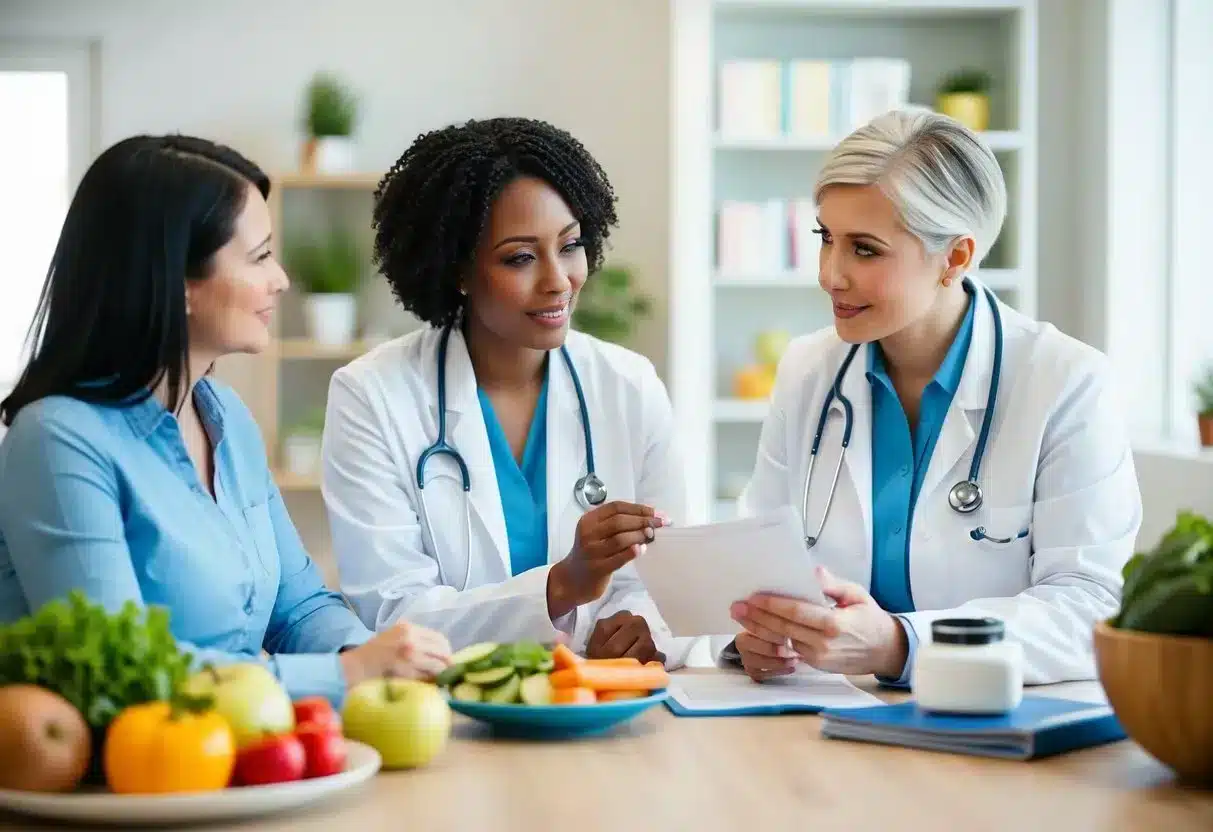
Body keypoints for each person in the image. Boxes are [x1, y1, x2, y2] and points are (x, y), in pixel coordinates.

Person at [0, 134, 451, 706]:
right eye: (260, 257)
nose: (281, 279)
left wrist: (379, 658)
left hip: (229, 761)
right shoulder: (58, 439)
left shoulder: (226, 419)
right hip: (118, 780)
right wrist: (348, 675)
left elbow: (299, 607)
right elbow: (123, 668)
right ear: (179, 283)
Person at [727, 109, 1142, 687]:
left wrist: (899, 645)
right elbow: (758, 556)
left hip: (993, 719)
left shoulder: (1066, 381)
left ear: (955, 257)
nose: (829, 274)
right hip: (832, 715)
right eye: (827, 239)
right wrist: (760, 633)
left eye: (864, 249)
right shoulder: (808, 369)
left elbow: (1090, 606)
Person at [321, 117, 696, 666]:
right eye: (520, 257)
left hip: (603, 714)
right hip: (449, 720)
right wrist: (563, 585)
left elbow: (675, 576)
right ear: (458, 270)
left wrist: (647, 627)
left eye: (570, 246)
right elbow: (393, 614)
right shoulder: (372, 396)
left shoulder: (628, 385)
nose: (558, 280)